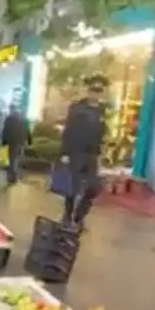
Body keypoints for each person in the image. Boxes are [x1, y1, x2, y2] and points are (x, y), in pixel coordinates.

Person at [58, 74, 108, 231]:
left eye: (99, 90)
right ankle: (67, 216)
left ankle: (79, 216)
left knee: (93, 187)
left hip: (92, 154)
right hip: (76, 152)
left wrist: (102, 154)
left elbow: (101, 134)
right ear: (88, 91)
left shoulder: (102, 110)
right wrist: (65, 153)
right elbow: (68, 131)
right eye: (93, 90)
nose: (96, 93)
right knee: (72, 187)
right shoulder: (77, 108)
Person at [1, 104, 31, 185]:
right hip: (19, 141)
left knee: (11, 159)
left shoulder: (9, 119)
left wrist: (3, 142)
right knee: (14, 158)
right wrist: (28, 141)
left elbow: (5, 130)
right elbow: (27, 130)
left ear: (11, 109)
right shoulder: (22, 119)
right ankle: (13, 175)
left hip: (11, 141)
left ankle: (12, 176)